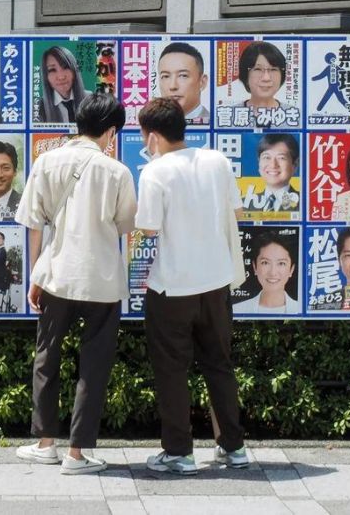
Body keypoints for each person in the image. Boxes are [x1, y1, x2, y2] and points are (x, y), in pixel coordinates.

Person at [14, 93, 136, 475]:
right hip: (101, 279)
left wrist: (36, 273)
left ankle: (45, 443)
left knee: (46, 358)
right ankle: (77, 454)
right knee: (94, 365)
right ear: (111, 131)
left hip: (56, 275)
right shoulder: (116, 171)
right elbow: (124, 225)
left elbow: (34, 222)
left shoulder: (47, 161)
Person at [136, 97, 248, 475]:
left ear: (151, 136)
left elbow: (148, 227)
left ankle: (179, 451)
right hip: (217, 281)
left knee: (172, 369)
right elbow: (237, 211)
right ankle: (234, 448)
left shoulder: (155, 171)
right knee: (219, 364)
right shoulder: (217, 160)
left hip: (172, 286)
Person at [234, 232, 299, 314]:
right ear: (255, 267)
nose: (273, 272)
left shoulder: (299, 310)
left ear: (291, 269)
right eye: (265, 263)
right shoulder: (237, 310)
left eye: (281, 263)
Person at [234, 42, 295, 125]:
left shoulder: (294, 116)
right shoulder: (228, 116)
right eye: (258, 69)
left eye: (273, 69)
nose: (266, 78)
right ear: (245, 74)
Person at [244, 134, 299, 214]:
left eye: (281, 158)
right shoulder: (243, 205)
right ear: (259, 162)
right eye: (267, 157)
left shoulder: (306, 204)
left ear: (295, 164)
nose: (273, 165)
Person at [37, 46, 92, 123]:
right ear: (46, 76)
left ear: (74, 70)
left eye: (66, 67)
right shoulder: (39, 108)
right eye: (52, 70)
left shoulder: (90, 99)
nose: (61, 77)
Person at [157, 42, 209, 124]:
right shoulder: (152, 125)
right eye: (166, 76)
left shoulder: (215, 123)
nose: (172, 86)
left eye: (183, 76)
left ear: (202, 82)